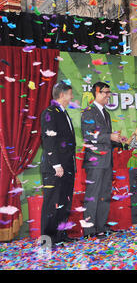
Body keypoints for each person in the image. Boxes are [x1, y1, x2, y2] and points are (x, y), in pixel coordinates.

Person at [81, 82, 124, 239]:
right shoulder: (88, 113)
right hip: (95, 160)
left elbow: (105, 138)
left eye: (108, 92)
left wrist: (117, 140)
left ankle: (101, 227)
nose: (108, 95)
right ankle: (89, 230)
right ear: (96, 94)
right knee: (92, 195)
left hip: (107, 160)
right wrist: (109, 136)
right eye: (105, 92)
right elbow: (88, 136)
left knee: (104, 194)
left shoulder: (106, 114)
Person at [40, 81, 76, 249]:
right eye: (70, 94)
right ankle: (48, 239)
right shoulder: (49, 112)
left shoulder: (63, 112)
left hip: (67, 167)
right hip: (55, 168)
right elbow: (49, 140)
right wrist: (56, 165)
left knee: (64, 202)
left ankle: (61, 235)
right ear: (62, 95)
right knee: (51, 204)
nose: (72, 97)